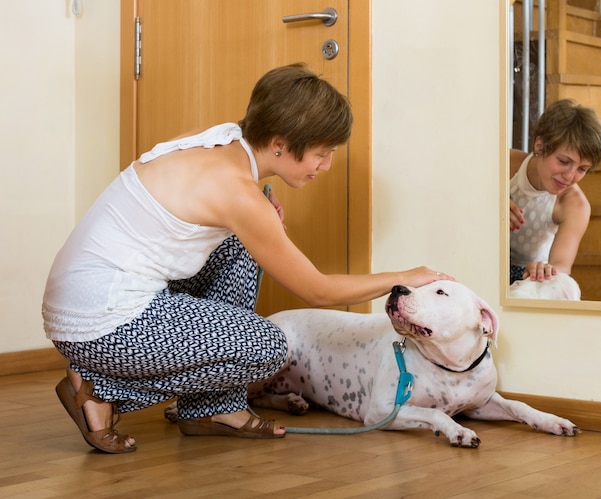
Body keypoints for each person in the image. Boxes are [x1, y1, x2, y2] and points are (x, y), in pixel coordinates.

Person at [42, 63, 454, 454]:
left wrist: (264, 201)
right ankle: (98, 389)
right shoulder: (238, 194)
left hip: (83, 298)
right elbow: (317, 290)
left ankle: (212, 409)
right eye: (321, 154)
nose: (325, 166)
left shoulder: (222, 140)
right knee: (269, 348)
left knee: (241, 244)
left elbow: (202, 209)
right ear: (279, 145)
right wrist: (404, 276)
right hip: (100, 323)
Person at [509, 99, 601, 285]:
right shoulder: (504, 163)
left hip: (527, 277)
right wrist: (489, 202)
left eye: (582, 169)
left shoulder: (575, 205)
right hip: (482, 258)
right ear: (539, 146)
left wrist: (544, 270)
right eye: (563, 161)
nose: (570, 176)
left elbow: (561, 268)